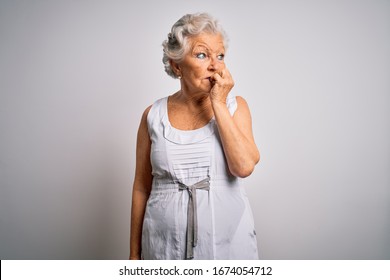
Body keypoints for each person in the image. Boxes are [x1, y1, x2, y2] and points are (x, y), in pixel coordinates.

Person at [129, 13, 260, 260]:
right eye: (202, 54)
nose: (215, 65)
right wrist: (134, 255)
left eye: (220, 55)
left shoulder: (235, 107)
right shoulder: (153, 115)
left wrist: (218, 103)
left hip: (228, 248)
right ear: (176, 65)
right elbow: (141, 187)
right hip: (162, 247)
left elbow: (243, 167)